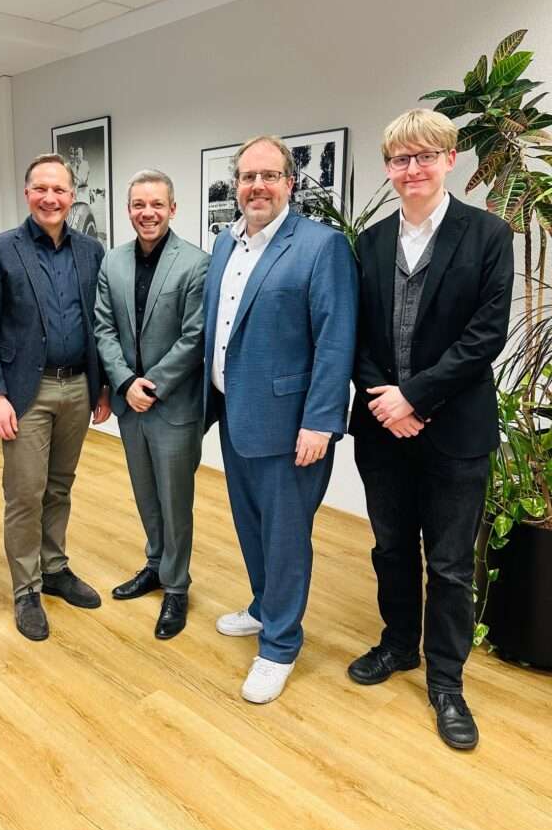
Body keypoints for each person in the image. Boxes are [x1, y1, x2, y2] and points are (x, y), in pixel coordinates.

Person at [348, 108, 514, 750]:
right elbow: (355, 336)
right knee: (391, 548)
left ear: (449, 159)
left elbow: (485, 337)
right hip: (381, 431)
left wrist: (413, 398)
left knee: (448, 565)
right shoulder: (369, 243)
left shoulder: (488, 235)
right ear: (389, 168)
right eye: (400, 159)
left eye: (424, 156)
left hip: (456, 431)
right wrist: (386, 403)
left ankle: (447, 682)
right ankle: (398, 645)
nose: (412, 169)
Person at [204, 135, 357, 703]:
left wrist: (320, 422)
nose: (257, 186)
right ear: (236, 185)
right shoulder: (226, 243)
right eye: (248, 176)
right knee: (250, 526)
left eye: (269, 175)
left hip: (292, 427)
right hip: (236, 416)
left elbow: (335, 340)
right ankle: (264, 607)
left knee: (286, 538)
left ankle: (280, 645)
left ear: (290, 183)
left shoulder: (321, 246)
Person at [0, 153, 110, 641]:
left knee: (60, 486)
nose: (50, 198)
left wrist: (102, 385)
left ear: (72, 196)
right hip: (25, 392)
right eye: (41, 189)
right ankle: (26, 588)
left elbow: (99, 323)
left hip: (78, 386)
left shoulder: (91, 250)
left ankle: (54, 569)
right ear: (27, 192)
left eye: (60, 190)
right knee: (25, 492)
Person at [95, 169, 209, 639]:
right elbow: (103, 328)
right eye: (139, 205)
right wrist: (124, 383)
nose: (148, 213)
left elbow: (194, 337)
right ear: (129, 210)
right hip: (130, 404)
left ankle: (177, 587)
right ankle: (156, 565)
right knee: (145, 493)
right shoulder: (112, 262)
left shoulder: (196, 263)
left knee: (175, 500)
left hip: (173, 405)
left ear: (172, 209)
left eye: (157, 204)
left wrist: (152, 385)